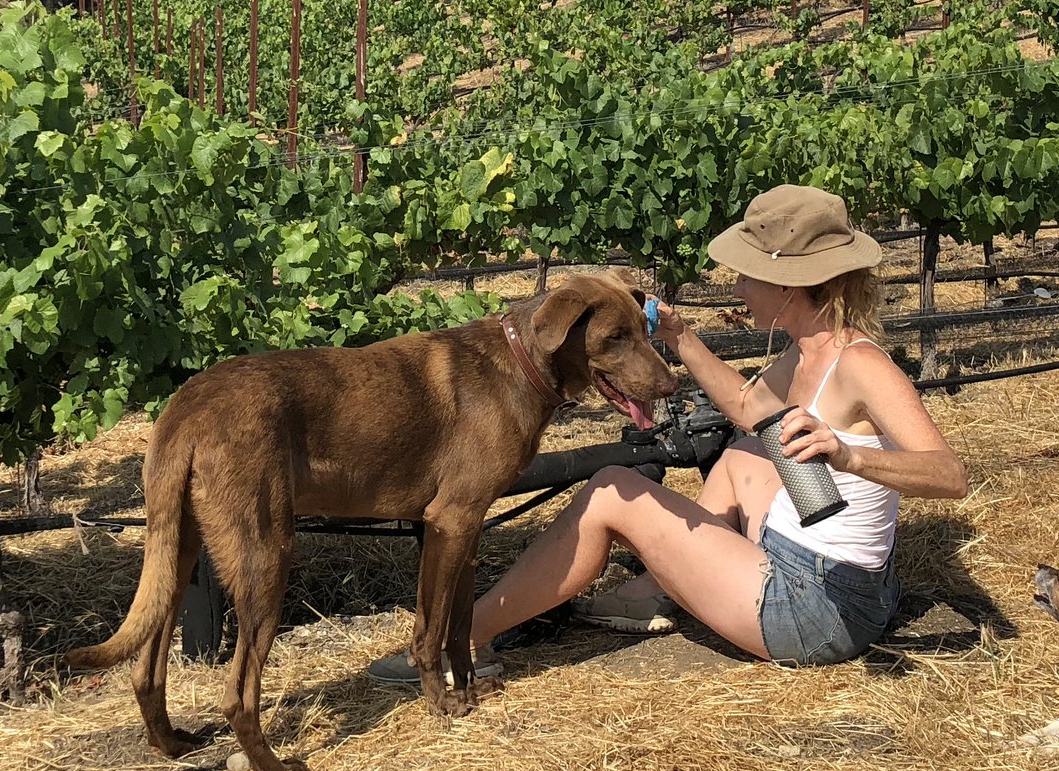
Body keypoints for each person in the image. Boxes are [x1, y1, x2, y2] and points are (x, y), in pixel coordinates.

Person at [372, 185, 968, 686]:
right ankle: (657, 590)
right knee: (742, 455)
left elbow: (949, 475)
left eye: (747, 277)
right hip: (840, 585)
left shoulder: (859, 362)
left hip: (816, 612)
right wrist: (680, 337)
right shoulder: (807, 349)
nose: (737, 290)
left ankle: (461, 639)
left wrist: (849, 456)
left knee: (610, 491)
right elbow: (745, 406)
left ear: (787, 284)